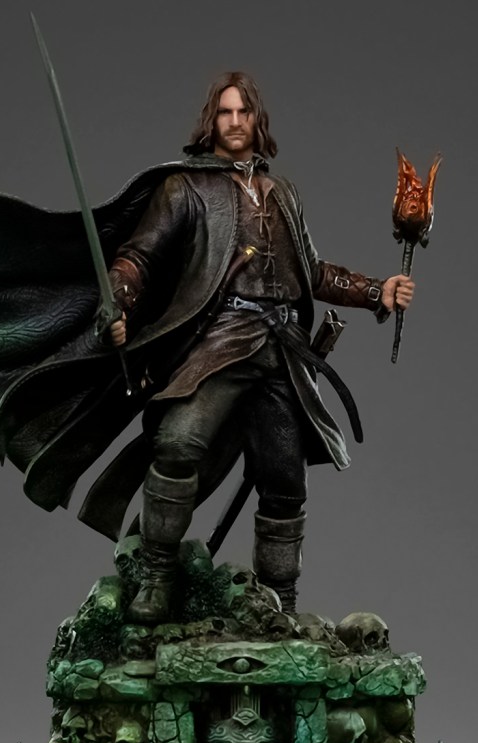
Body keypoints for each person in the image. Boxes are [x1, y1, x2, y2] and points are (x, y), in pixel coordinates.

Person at [105, 72, 414, 622]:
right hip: (221, 342)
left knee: (285, 479)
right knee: (177, 444)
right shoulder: (185, 188)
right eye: (225, 112)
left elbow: (312, 272)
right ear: (211, 121)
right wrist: (118, 300)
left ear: (256, 121)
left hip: (281, 350)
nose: (235, 122)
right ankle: (156, 579)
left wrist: (377, 292)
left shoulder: (283, 193)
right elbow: (140, 257)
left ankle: (280, 604)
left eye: (243, 112)